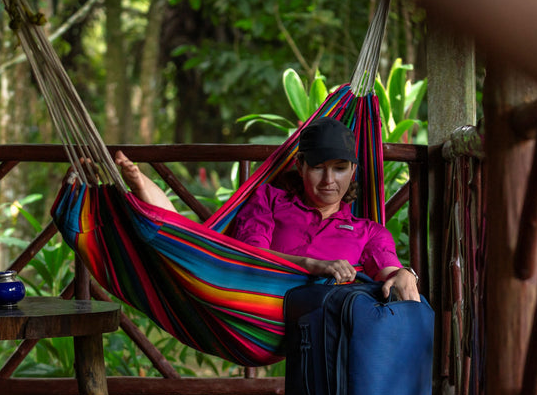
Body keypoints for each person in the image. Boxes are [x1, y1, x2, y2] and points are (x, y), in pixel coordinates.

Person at [113, 116, 420, 302]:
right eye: (317, 167)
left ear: (353, 170)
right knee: (184, 239)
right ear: (299, 166)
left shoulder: (369, 232)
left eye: (339, 169)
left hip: (327, 326)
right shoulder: (269, 200)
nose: (329, 180)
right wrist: (313, 265)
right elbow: (248, 257)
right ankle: (136, 185)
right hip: (253, 303)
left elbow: (390, 271)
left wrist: (406, 274)